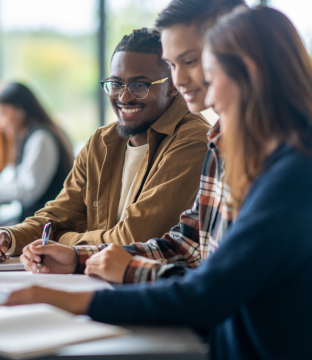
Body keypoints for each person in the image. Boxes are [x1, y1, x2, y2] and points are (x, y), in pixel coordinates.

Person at [6, 6, 312, 360]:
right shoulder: (241, 151)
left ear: (249, 73)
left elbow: (208, 294)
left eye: (206, 73)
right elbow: (189, 244)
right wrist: (80, 258)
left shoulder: (302, 174)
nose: (203, 93)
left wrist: (74, 300)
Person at [21, 0, 246, 283]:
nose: (182, 80)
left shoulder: (219, 144)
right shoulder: (220, 142)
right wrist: (77, 256)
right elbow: (183, 247)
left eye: (192, 62)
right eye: (175, 65)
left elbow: (217, 286)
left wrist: (69, 246)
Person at [0, 28, 212, 262]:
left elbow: (133, 239)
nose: (124, 97)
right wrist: (9, 237)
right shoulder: (102, 142)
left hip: (149, 288)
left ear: (172, 85)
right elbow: (57, 215)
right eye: (116, 84)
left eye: (140, 85)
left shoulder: (192, 141)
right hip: (93, 278)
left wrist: (60, 240)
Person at [0, 82, 74, 221]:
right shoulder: (27, 138)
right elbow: (12, 179)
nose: (0, 124)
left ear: (20, 110)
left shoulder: (41, 138)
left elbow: (26, 191)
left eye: (2, 114)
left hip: (44, 226)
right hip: (35, 221)